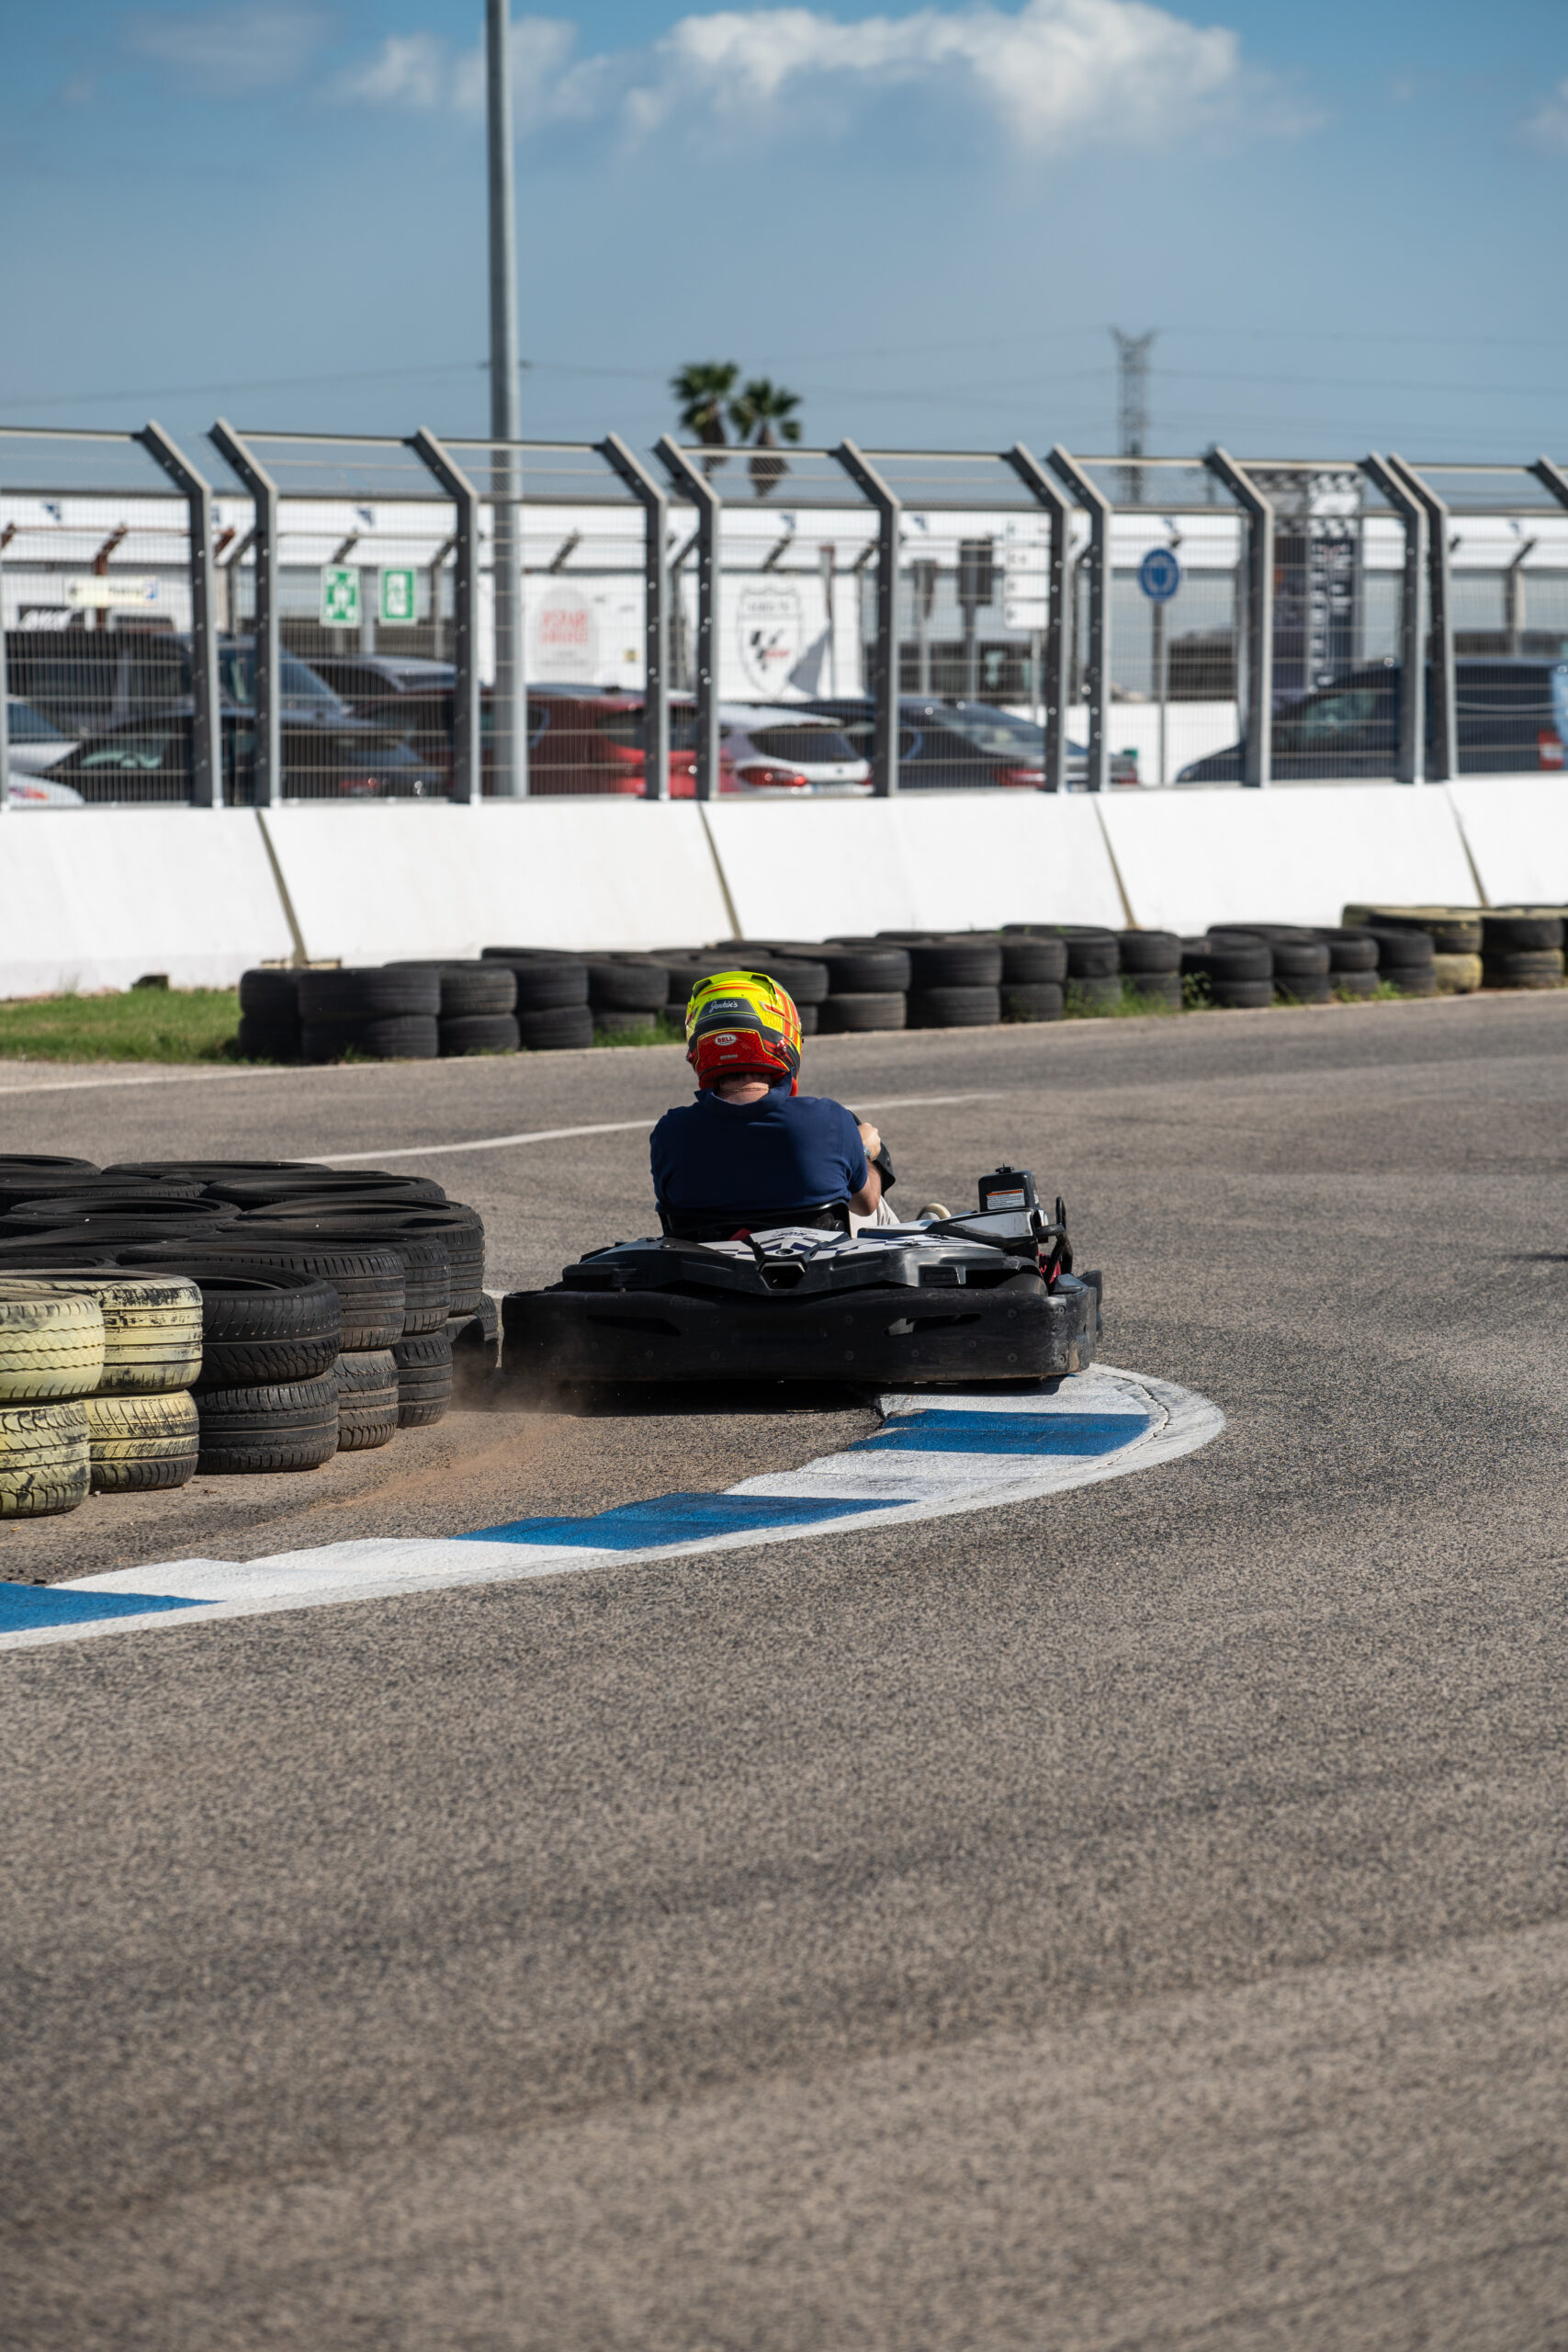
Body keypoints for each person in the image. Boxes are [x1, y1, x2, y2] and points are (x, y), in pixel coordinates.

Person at [650, 969, 889, 1238]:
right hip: (810, 1275)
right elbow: (866, 1204)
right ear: (782, 1038)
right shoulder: (830, 1120)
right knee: (877, 1209)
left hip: (704, 1274)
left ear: (700, 1044)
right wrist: (863, 1153)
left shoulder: (670, 1133)